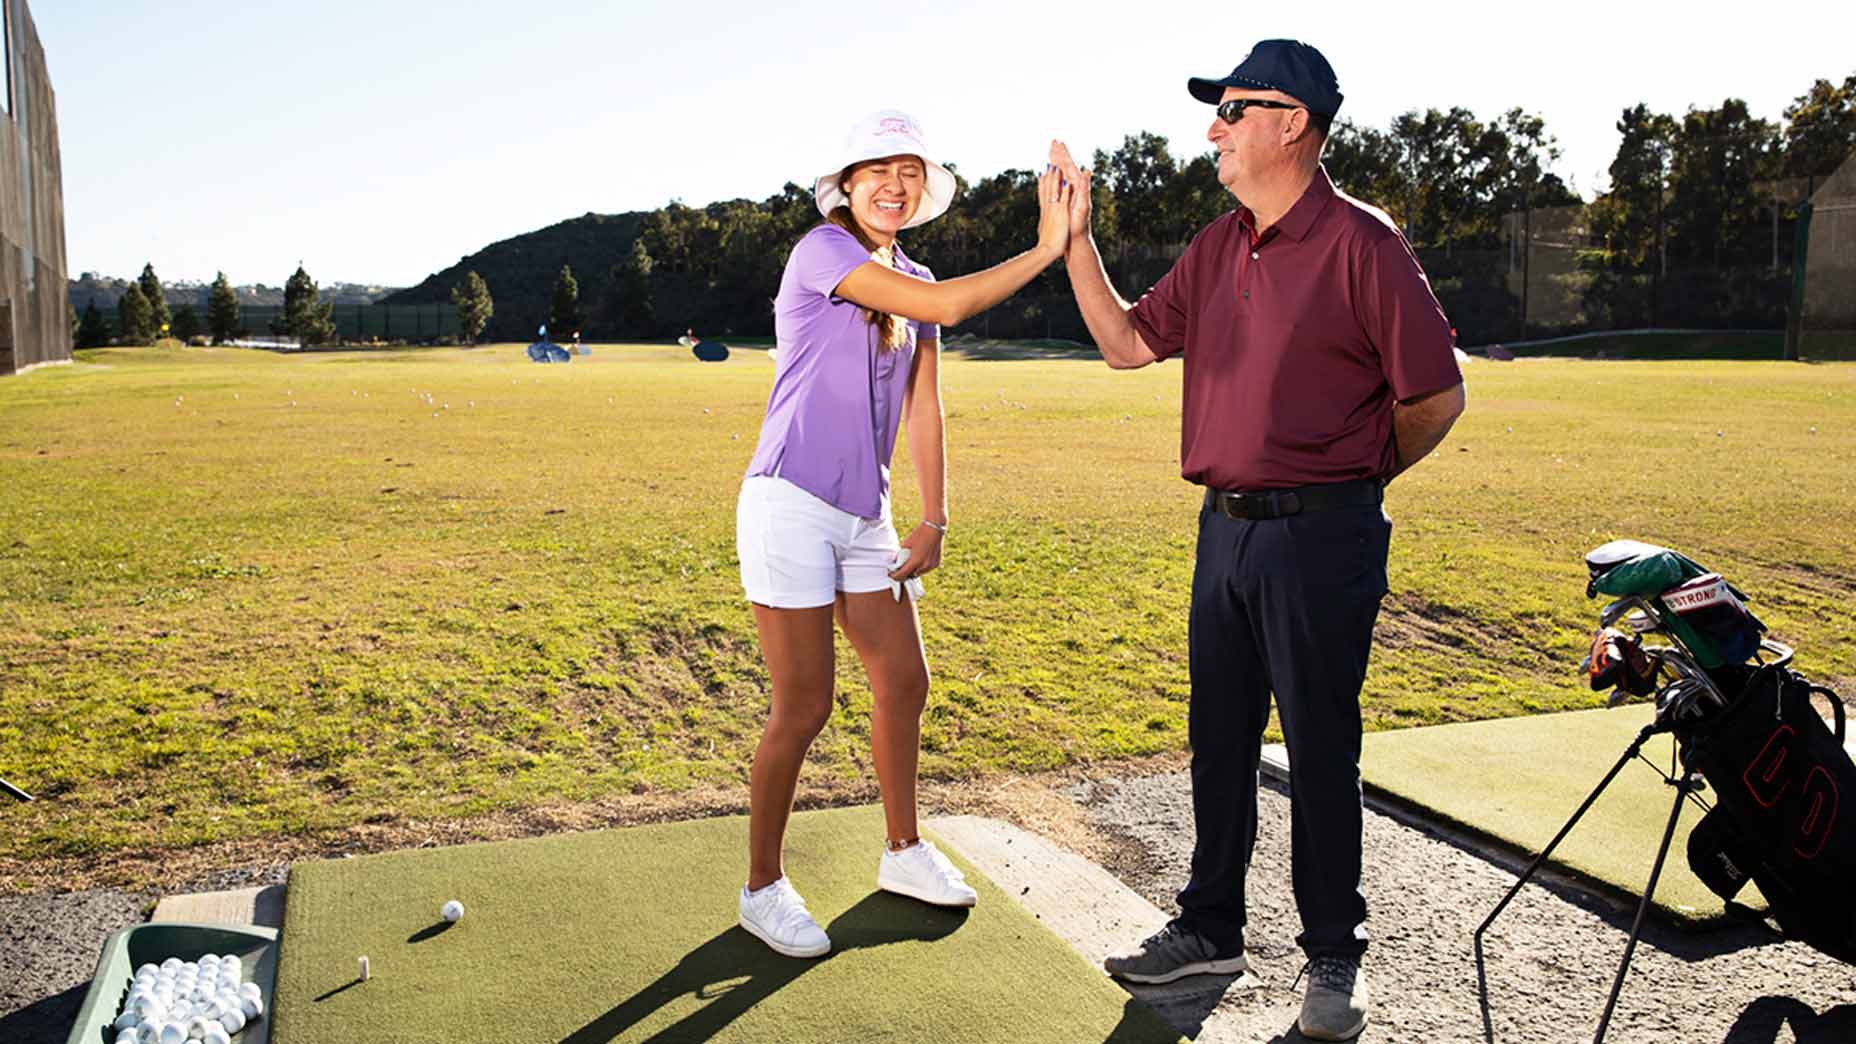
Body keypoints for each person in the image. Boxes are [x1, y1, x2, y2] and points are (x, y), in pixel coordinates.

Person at [1049, 40, 1466, 1041]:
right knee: (1218, 740)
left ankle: (1332, 956)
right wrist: (1074, 240)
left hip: (1322, 538)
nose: (1213, 130)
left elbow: (1435, 397)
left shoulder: (1363, 246)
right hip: (1222, 533)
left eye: (1232, 111)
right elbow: (1123, 345)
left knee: (1320, 749)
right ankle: (1209, 928)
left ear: (1292, 123)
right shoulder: (1213, 245)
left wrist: (1348, 478)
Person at [735, 109, 1074, 958]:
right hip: (790, 502)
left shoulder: (910, 270)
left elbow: (925, 403)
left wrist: (933, 515)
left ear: (923, 191)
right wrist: (1045, 248)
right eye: (877, 169)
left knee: (906, 679)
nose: (895, 183)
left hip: (866, 515)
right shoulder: (823, 252)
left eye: (910, 171)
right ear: (845, 186)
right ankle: (763, 889)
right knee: (804, 704)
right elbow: (951, 305)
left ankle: (902, 851)